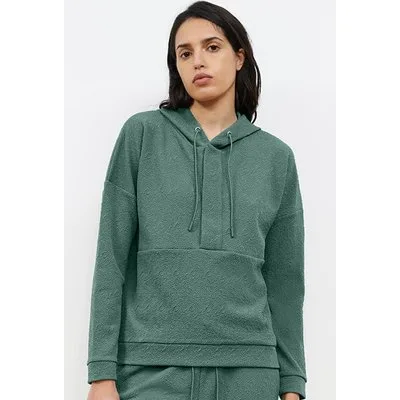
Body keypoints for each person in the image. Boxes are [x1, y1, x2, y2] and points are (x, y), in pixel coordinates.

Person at [86, 1, 307, 399]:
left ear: (239, 57)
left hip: (251, 370)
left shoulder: (277, 158)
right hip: (149, 366)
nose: (197, 61)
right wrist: (102, 373)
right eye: (184, 53)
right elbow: (111, 260)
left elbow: (285, 281)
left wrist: (292, 383)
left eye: (212, 47)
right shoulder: (141, 135)